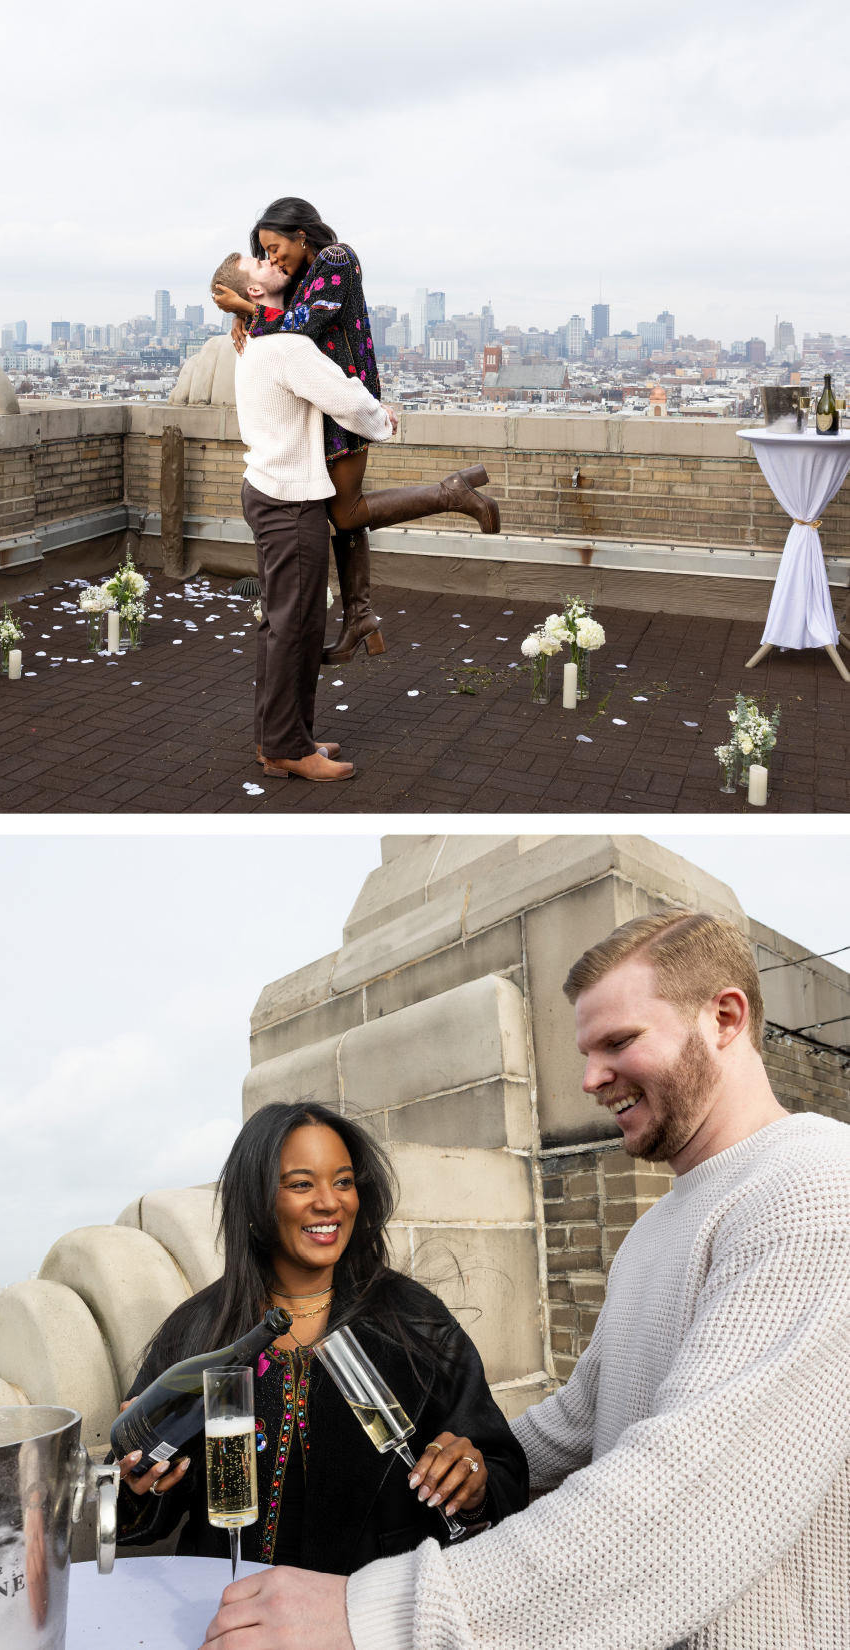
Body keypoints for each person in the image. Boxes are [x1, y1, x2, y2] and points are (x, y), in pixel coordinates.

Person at [200, 909, 850, 1650]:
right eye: (585, 1050)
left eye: (619, 1042)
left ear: (725, 1017)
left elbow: (690, 1501)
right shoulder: (655, 1230)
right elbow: (582, 1419)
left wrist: (370, 1614)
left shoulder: (814, 1189)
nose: (591, 1078)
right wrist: (474, 1460)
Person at [112, 1100, 529, 1571]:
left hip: (368, 1611)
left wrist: (472, 1482)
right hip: (230, 1603)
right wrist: (141, 1482)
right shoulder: (199, 1328)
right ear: (256, 1202)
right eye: (301, 1184)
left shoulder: (411, 1319)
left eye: (344, 1181)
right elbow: (130, 1494)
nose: (330, 1201)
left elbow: (502, 1469)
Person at [213, 198, 500, 666]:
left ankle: (452, 493)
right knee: (341, 515)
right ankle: (358, 619)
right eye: (264, 253)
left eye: (275, 246)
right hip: (323, 401)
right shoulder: (305, 275)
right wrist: (245, 315)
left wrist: (246, 308)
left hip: (347, 400)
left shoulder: (338, 259)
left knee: (346, 514)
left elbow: (305, 324)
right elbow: (286, 319)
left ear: (300, 234)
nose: (273, 258)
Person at [211, 251, 392, 781]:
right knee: (297, 626)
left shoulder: (256, 340)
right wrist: (383, 420)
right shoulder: (287, 345)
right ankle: (289, 746)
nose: (271, 261)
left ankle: (282, 740)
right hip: (290, 501)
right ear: (257, 293)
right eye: (259, 263)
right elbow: (347, 400)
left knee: (280, 624)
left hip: (268, 492)